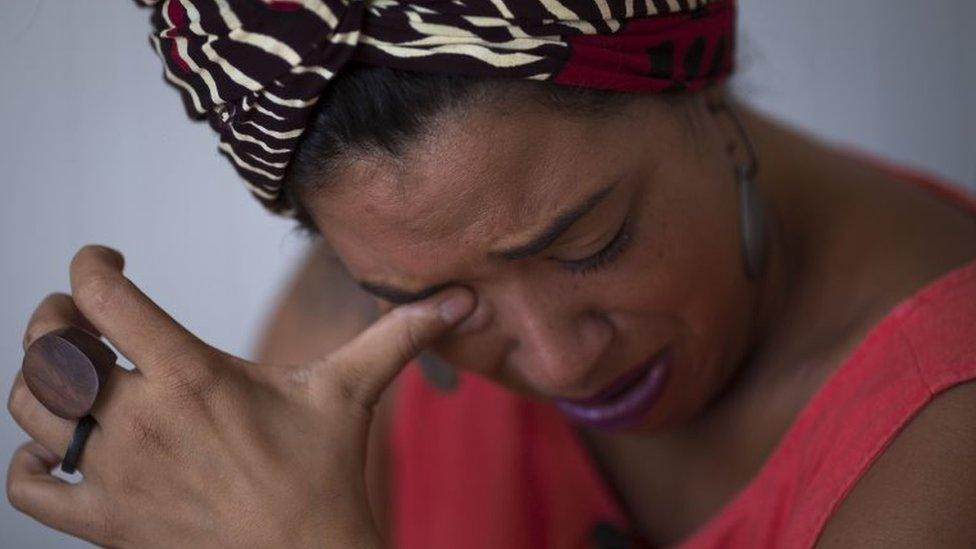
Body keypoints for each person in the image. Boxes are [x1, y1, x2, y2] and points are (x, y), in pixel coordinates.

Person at [7, 0, 976, 547]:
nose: (558, 367)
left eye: (590, 243)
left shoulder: (950, 438)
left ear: (700, 85)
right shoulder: (348, 335)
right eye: (435, 301)